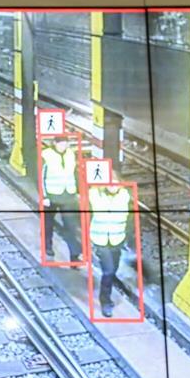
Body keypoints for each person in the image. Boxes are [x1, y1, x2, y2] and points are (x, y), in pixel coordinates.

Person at [88, 177, 132, 317]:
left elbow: (129, 219)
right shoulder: (95, 195)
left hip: (117, 239)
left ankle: (106, 297)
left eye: (115, 183)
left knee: (113, 270)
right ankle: (105, 301)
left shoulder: (124, 197)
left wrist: (127, 237)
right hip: (100, 240)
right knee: (108, 271)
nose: (112, 186)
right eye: (109, 182)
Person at [40, 135, 82, 261]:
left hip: (68, 195)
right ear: (55, 143)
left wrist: (77, 191)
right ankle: (47, 245)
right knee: (48, 223)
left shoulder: (70, 154)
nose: (63, 146)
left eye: (65, 143)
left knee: (70, 225)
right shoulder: (46, 155)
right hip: (52, 195)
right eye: (61, 144)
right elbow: (41, 177)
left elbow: (75, 173)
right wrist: (44, 196)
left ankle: (74, 256)